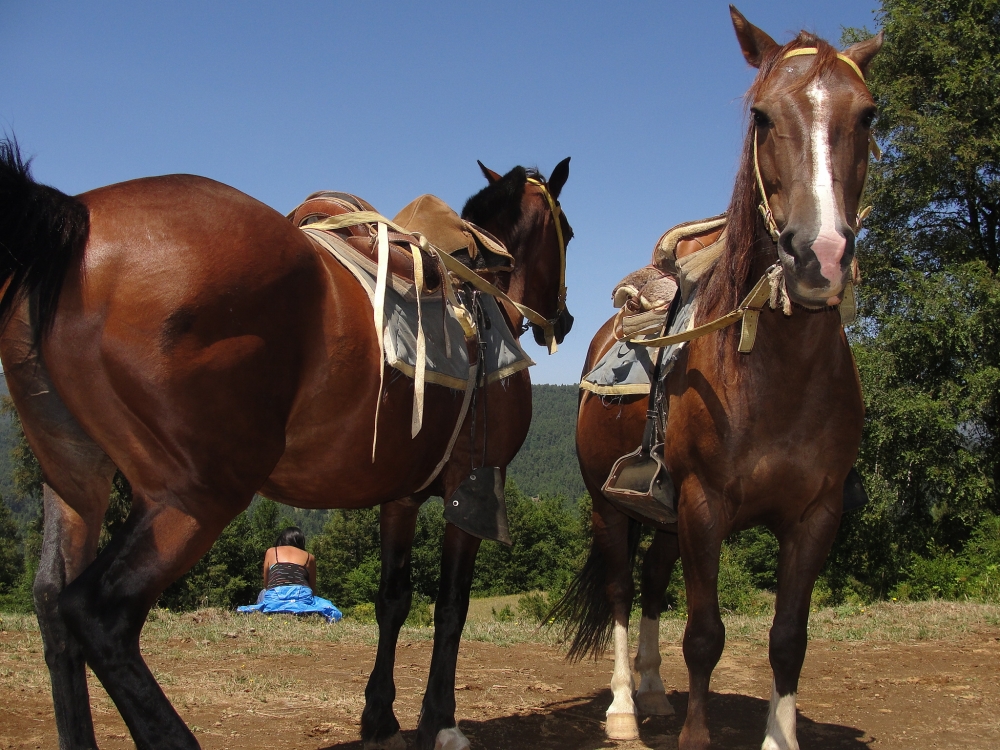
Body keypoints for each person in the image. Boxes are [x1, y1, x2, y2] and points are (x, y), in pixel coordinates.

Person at [237, 526, 342, 622]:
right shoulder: (310, 557)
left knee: (262, 593)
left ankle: (265, 615)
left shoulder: (271, 552)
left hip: (275, 596)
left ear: (282, 539)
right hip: (302, 596)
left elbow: (267, 585)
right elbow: (313, 589)